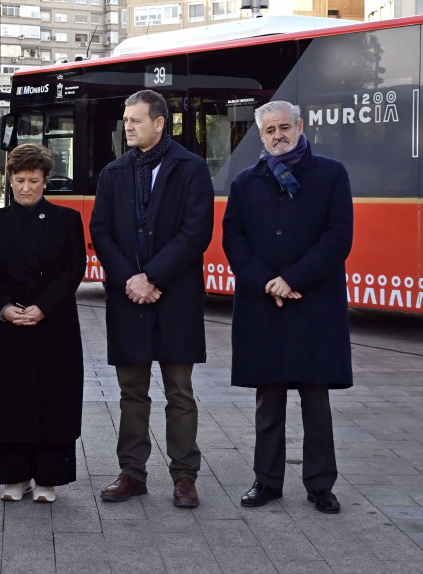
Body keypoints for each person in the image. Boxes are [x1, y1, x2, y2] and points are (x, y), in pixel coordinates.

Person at [221, 100, 354, 514]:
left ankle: (320, 485)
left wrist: (292, 279)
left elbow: (338, 238)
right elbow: (234, 241)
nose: (278, 135)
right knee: (269, 398)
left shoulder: (331, 174)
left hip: (314, 304)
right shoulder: (246, 182)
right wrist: (266, 281)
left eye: (284, 127)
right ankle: (267, 482)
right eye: (269, 130)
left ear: (299, 126)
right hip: (264, 305)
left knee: (316, 400)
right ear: (261, 135)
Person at [89, 89, 214, 508]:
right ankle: (132, 473)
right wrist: (131, 279)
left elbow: (196, 232)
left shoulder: (191, 168)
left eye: (136, 120)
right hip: (129, 298)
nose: (127, 125)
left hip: (175, 297)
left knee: (179, 391)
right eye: (125, 119)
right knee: (131, 391)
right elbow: (101, 231)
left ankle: (184, 476)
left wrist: (153, 276)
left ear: (160, 123)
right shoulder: (114, 172)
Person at [0, 144, 85, 504]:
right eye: (19, 180)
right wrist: (3, 306)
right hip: (5, 326)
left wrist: (44, 307)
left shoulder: (66, 219)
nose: (25, 187)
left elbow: (73, 269)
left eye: (33, 180)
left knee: (53, 398)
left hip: (53, 325)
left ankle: (49, 479)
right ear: (9, 179)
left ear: (45, 180)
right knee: (7, 397)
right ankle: (13, 477)